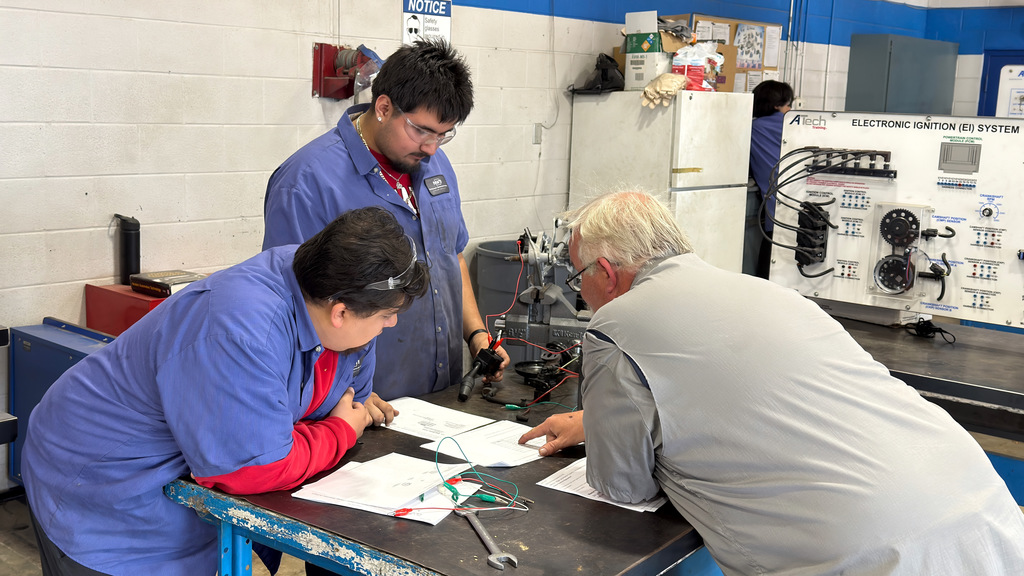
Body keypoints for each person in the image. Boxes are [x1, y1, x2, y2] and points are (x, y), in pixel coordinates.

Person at [520, 191, 1024, 575]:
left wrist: (617, 434)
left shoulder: (615, 323)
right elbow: (749, 396)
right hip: (982, 515)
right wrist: (596, 421)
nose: (577, 287)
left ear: (605, 272)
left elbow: (622, 484)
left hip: (860, 554)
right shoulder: (766, 292)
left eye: (577, 273)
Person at [22, 207, 429, 575]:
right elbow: (250, 467)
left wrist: (336, 417)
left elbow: (345, 397)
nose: (391, 325)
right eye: (388, 315)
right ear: (340, 312)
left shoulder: (331, 287)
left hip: (178, 483)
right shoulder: (241, 328)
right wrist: (341, 430)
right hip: (101, 483)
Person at [263, 37, 508, 410]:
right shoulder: (308, 182)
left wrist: (476, 335)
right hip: (361, 406)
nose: (432, 148)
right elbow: (291, 305)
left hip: (444, 396)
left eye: (443, 135)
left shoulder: (434, 166)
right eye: (421, 131)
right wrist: (347, 392)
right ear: (383, 107)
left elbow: (451, 256)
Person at [743, 80, 793, 279]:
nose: (790, 109)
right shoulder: (791, 124)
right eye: (787, 104)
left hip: (776, 209)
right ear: (775, 105)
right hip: (801, 205)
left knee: (768, 267)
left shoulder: (751, 127)